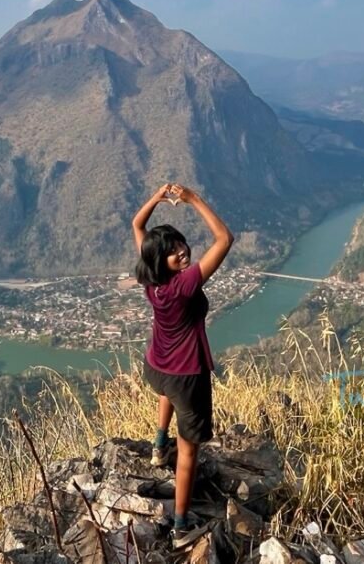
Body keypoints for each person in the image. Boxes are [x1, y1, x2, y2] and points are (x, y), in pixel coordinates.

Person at [132, 182, 234, 548]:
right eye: (173, 252)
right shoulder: (183, 286)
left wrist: (157, 199)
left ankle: (159, 446)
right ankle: (180, 525)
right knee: (189, 451)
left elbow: (137, 227)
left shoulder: (151, 279)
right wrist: (191, 199)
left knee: (167, 395)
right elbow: (224, 239)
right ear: (162, 260)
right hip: (186, 375)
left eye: (180, 244)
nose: (182, 252)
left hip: (156, 366)